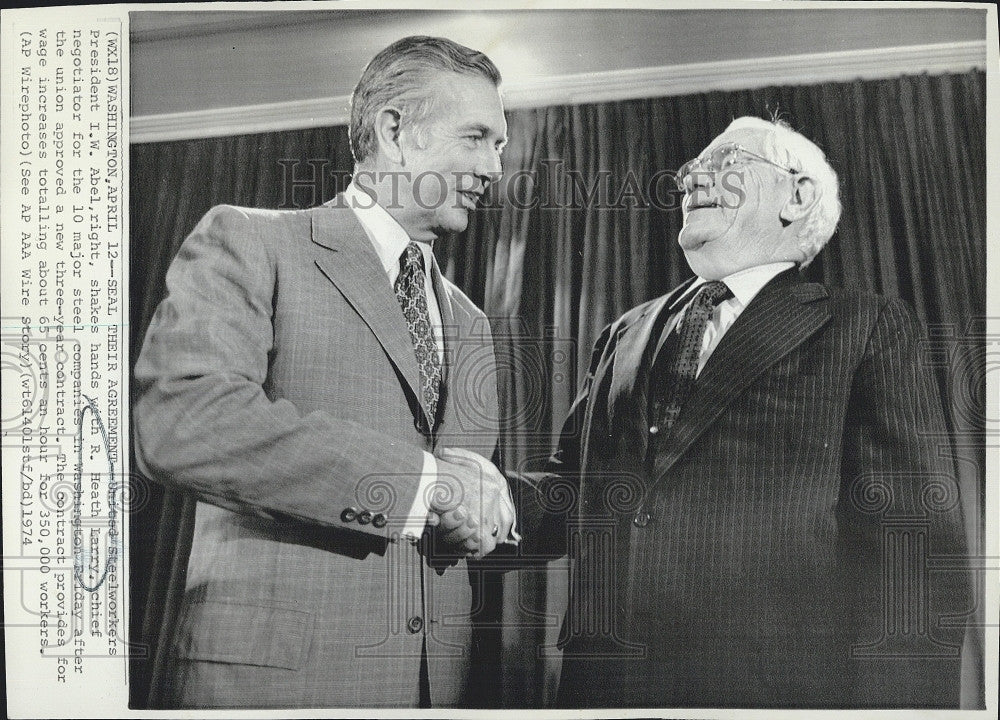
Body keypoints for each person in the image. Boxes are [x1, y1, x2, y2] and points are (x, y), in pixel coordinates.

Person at [507, 116, 972, 707]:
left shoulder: (865, 327)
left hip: (775, 696)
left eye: (727, 163)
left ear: (796, 195)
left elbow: (916, 553)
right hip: (604, 688)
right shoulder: (623, 333)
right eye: (689, 170)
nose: (692, 178)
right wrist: (466, 493)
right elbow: (571, 493)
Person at [133, 36, 515, 709]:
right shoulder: (254, 240)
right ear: (395, 132)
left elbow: (450, 508)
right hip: (275, 688)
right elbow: (184, 421)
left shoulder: (473, 322)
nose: (494, 166)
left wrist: (485, 495)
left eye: (500, 146)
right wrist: (426, 484)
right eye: (477, 137)